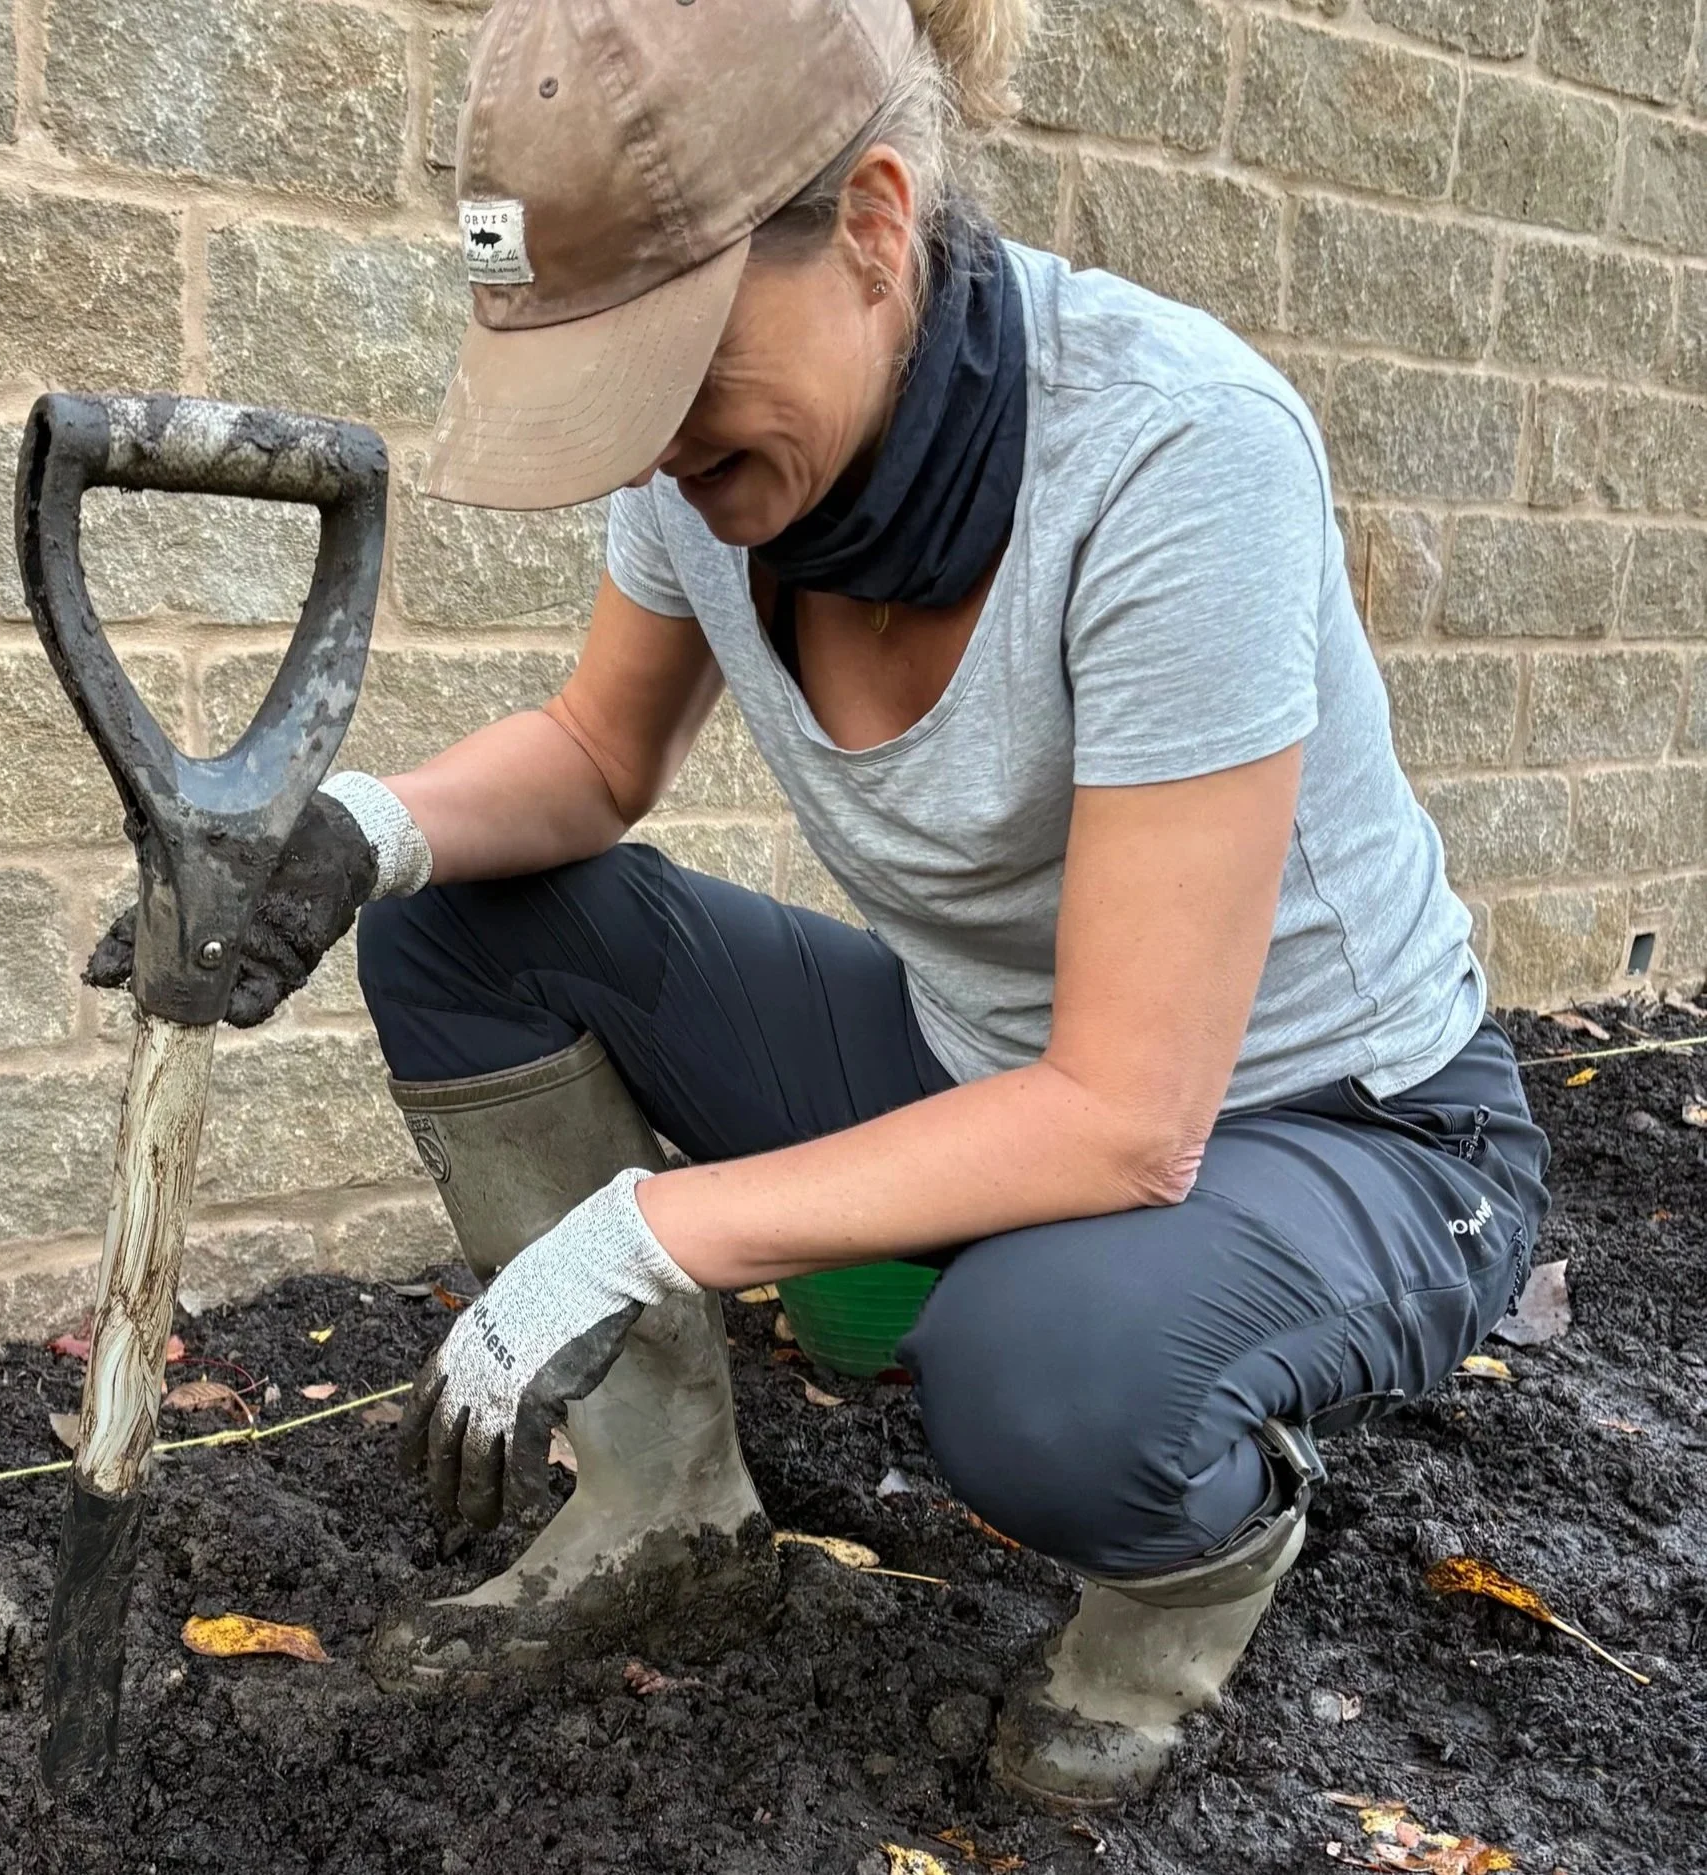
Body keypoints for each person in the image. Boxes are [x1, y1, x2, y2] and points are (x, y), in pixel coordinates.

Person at [88, 0, 1552, 1812]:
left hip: (1335, 1130)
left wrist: (646, 1229)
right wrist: (353, 831)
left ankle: (1182, 1585)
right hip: (985, 1060)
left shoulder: (1176, 456)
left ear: (873, 224)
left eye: (674, 368)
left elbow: (1127, 1114)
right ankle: (662, 1509)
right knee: (462, 916)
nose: (649, 447)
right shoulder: (713, 478)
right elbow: (595, 755)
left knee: (1043, 1376)